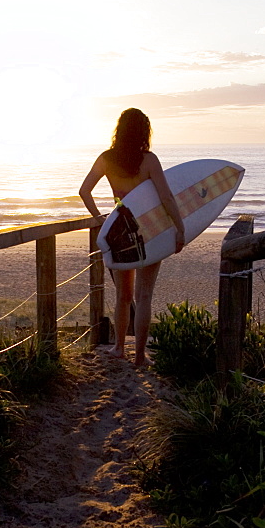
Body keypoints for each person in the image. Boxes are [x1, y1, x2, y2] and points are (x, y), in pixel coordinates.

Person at [78, 108, 185, 368]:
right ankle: (139, 357)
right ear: (143, 132)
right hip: (150, 230)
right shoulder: (149, 160)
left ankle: (118, 348)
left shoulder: (106, 159)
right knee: (145, 295)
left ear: (119, 130)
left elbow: (84, 191)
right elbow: (166, 197)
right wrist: (180, 228)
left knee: (123, 296)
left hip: (121, 231)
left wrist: (101, 221)